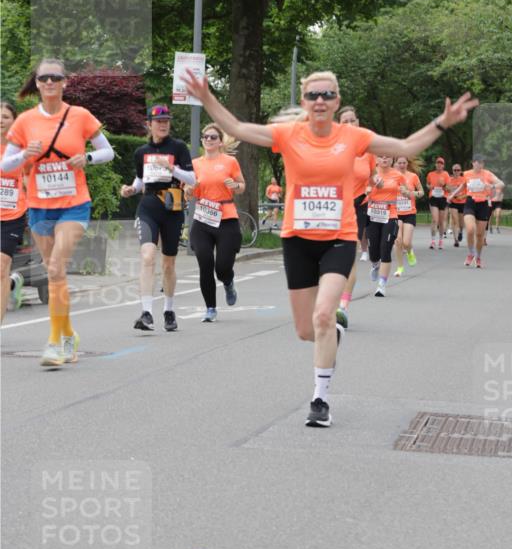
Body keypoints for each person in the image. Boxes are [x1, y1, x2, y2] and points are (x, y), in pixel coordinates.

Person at [181, 66, 477, 428]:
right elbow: (239, 128)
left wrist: (443, 122)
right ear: (304, 101)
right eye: (313, 95)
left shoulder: (353, 137)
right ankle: (332, 336)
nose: (320, 100)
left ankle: (319, 399)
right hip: (297, 239)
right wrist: (207, 97)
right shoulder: (288, 134)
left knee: (324, 314)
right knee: (306, 330)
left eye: (327, 95)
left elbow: (405, 147)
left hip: (339, 238)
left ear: (337, 101)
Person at [1, 60, 114, 366]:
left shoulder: (80, 115)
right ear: (37, 83)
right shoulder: (25, 121)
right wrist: (24, 155)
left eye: (55, 77)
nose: (49, 82)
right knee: (55, 272)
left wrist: (87, 158)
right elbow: (6, 164)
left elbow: (108, 151)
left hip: (74, 203)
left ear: (65, 82)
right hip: (39, 206)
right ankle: (68, 336)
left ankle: (55, 343)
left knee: (54, 268)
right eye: (44, 78)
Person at [120, 104, 195, 333]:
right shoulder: (141, 152)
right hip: (149, 207)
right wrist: (131, 189)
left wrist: (172, 168)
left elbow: (192, 178)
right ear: (149, 124)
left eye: (166, 121)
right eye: (159, 121)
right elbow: (141, 179)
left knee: (168, 263)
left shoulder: (178, 147)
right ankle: (146, 313)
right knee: (147, 256)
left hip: (172, 208)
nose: (163, 125)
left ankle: (168, 310)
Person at [185, 123, 245, 322]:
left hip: (226, 218)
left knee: (222, 268)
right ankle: (210, 308)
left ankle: (228, 282)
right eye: (205, 137)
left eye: (213, 137)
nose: (208, 140)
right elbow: (188, 191)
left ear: (220, 142)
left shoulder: (230, 162)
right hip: (203, 219)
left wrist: (235, 185)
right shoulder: (195, 164)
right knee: (205, 263)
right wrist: (188, 190)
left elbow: (242, 186)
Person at [336, 105, 376, 327]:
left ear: (358, 123)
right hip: (332, 206)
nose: (350, 125)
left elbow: (372, 176)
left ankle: (342, 308)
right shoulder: (331, 147)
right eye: (345, 121)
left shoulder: (368, 151)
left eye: (353, 120)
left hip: (357, 207)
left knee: (348, 258)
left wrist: (374, 184)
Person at [449, 154, 504, 268]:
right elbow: (462, 186)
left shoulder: (487, 174)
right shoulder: (467, 174)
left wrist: (492, 186)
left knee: (479, 235)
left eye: (482, 162)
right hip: (470, 203)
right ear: (473, 163)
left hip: (483, 204)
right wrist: (452, 195)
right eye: (478, 162)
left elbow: (501, 183)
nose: (480, 164)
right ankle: (470, 253)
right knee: (470, 229)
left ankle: (478, 257)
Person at [1, 101, 29, 321]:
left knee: (1, 266)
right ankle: (12, 283)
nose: (0, 121)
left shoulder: (22, 150)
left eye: (5, 117)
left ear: (14, 121)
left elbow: (30, 179)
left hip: (12, 215)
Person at [365, 154, 408, 296]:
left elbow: (407, 192)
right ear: (376, 159)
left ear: (392, 160)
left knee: (385, 249)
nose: (384, 159)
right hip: (372, 215)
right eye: (381, 156)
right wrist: (367, 191)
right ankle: (375, 264)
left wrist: (405, 192)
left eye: (387, 156)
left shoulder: (398, 175)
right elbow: (360, 191)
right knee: (374, 252)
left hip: (390, 215)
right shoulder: (370, 174)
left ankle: (381, 285)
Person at [393, 155, 424, 276]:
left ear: (407, 164)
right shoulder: (392, 176)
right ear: (396, 163)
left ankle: (410, 251)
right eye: (399, 163)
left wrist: (410, 193)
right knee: (398, 241)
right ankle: (400, 267)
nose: (401, 165)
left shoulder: (413, 176)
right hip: (395, 213)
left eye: (404, 163)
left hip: (409, 212)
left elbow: (421, 192)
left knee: (406, 243)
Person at [426, 157, 449, 249]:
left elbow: (449, 188)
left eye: (441, 163)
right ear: (435, 164)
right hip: (433, 198)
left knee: (441, 221)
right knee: (435, 219)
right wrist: (429, 187)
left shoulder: (446, 174)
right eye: (438, 163)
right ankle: (433, 241)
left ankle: (440, 240)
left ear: (443, 165)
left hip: (442, 198)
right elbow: (427, 184)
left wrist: (443, 185)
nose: (439, 165)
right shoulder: (430, 174)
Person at [444, 163, 465, 247]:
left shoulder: (464, 179)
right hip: (453, 202)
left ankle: (460, 232)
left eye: (458, 170)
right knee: (455, 221)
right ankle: (456, 240)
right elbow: (446, 190)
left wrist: (461, 197)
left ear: (460, 171)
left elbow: (468, 192)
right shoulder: (449, 180)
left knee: (461, 223)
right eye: (454, 170)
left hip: (462, 202)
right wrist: (449, 193)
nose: (456, 172)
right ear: (452, 171)